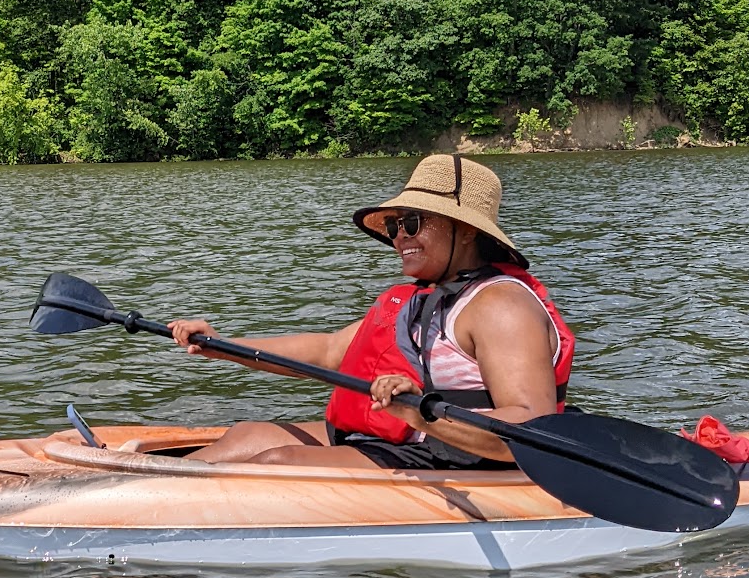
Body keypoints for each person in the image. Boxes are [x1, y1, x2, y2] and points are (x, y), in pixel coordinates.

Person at [168, 154, 574, 469]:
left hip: (464, 458)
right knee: (248, 437)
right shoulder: (422, 297)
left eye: (413, 223)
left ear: (466, 230)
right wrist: (222, 346)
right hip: (411, 438)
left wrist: (420, 417)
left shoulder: (500, 305)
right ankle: (129, 486)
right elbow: (330, 351)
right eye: (396, 225)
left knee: (279, 463)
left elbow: (530, 427)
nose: (399, 237)